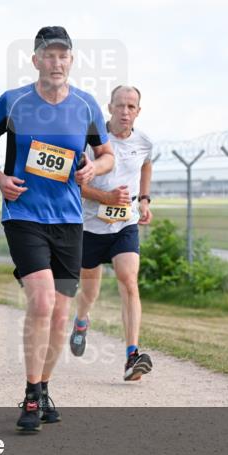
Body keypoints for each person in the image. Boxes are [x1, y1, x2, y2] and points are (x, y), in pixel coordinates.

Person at [0, 26, 114, 432]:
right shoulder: (13, 102)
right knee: (41, 302)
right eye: (48, 55)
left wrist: (93, 166)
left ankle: (45, 386)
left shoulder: (86, 106)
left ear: (71, 61)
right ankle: (31, 395)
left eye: (62, 55)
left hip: (69, 221)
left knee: (61, 313)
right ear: (35, 60)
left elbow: (105, 155)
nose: (56, 62)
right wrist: (0, 179)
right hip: (24, 216)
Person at [69, 85, 155, 381]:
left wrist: (144, 199)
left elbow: (145, 164)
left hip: (125, 225)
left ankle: (132, 355)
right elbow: (75, 186)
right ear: (109, 107)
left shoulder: (144, 142)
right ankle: (81, 321)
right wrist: (105, 198)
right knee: (89, 293)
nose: (125, 112)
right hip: (90, 227)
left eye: (131, 107)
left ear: (138, 111)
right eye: (120, 105)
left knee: (129, 280)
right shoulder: (90, 142)